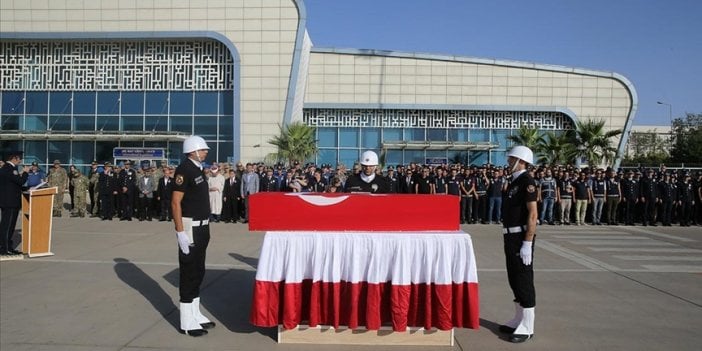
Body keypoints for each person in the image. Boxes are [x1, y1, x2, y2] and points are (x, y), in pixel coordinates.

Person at [171, 135, 216, 337]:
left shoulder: (198, 169)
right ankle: (186, 321)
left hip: (202, 227)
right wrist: (180, 231)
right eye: (203, 149)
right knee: (189, 272)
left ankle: (195, 314)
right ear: (193, 150)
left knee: (198, 271)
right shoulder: (184, 170)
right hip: (189, 228)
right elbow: (175, 202)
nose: (206, 151)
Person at [499, 145, 538, 343]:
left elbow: (532, 214)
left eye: (511, 159)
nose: (508, 162)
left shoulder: (527, 182)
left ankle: (528, 325)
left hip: (521, 237)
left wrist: (527, 243)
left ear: (521, 161)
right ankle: (518, 318)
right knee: (514, 278)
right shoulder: (514, 182)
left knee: (523, 279)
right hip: (510, 236)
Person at [0, 150, 29, 255]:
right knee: (8, 226)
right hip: (10, 202)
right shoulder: (10, 169)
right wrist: (25, 172)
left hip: (7, 201)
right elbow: (20, 181)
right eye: (19, 158)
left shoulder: (6, 168)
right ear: (14, 158)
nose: (20, 160)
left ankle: (8, 247)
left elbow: (13, 184)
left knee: (7, 225)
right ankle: (5, 249)